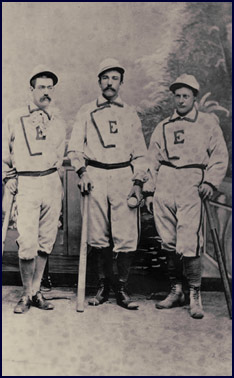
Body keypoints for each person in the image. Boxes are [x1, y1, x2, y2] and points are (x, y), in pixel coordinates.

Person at [145, 74, 228, 318]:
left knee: (189, 241)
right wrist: (150, 190)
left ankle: (194, 293)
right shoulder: (164, 126)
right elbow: (152, 160)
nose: (181, 100)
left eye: (186, 96)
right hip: (166, 183)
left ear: (195, 98)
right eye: (177, 96)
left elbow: (219, 156)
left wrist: (210, 182)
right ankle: (176, 290)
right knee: (169, 241)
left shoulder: (207, 123)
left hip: (192, 183)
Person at [67, 58, 148, 310]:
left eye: (114, 78)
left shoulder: (129, 112)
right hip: (96, 175)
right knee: (97, 236)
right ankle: (103, 286)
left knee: (125, 236)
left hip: (124, 175)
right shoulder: (86, 111)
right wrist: (82, 172)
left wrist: (137, 182)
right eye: (105, 77)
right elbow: (74, 149)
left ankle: (122, 288)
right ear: (99, 81)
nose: (109, 82)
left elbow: (141, 153)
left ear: (121, 83)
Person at [2, 65, 66, 313]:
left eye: (50, 88)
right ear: (31, 89)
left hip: (50, 182)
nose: (46, 92)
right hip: (25, 183)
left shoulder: (57, 120)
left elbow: (59, 155)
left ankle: (36, 292)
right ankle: (25, 294)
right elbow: (4, 152)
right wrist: (9, 178)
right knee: (27, 241)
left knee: (45, 241)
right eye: (41, 87)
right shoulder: (14, 117)